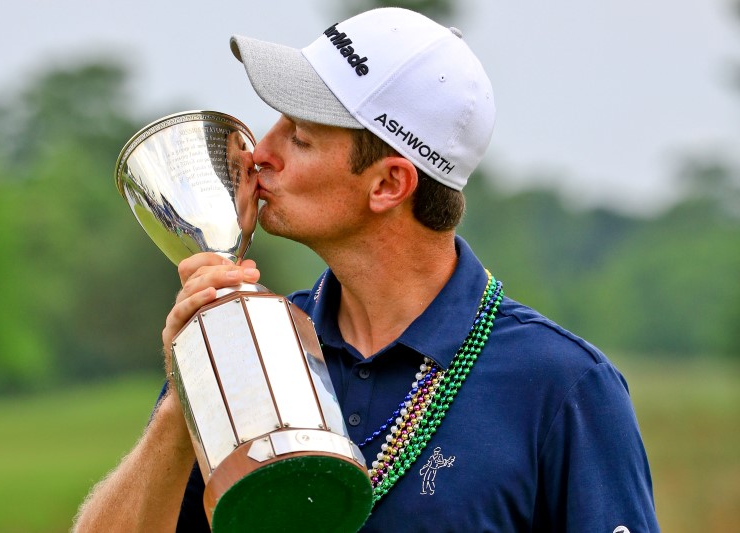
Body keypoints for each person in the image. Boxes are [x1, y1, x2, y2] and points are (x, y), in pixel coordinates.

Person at [74, 7, 660, 532]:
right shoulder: (244, 346)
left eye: (299, 138)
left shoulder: (564, 386)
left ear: (388, 184)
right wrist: (186, 394)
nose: (259, 153)